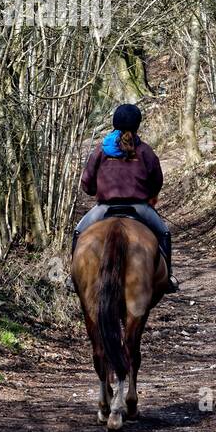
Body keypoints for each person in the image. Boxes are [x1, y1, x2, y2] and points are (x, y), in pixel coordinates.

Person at [72, 103, 179, 292]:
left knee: (79, 233)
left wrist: (97, 189)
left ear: (114, 123)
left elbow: (87, 183)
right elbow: (157, 182)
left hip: (105, 208)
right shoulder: (145, 151)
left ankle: (72, 277)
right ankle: (168, 277)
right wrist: (148, 194)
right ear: (137, 125)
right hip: (139, 208)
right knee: (164, 234)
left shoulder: (101, 150)